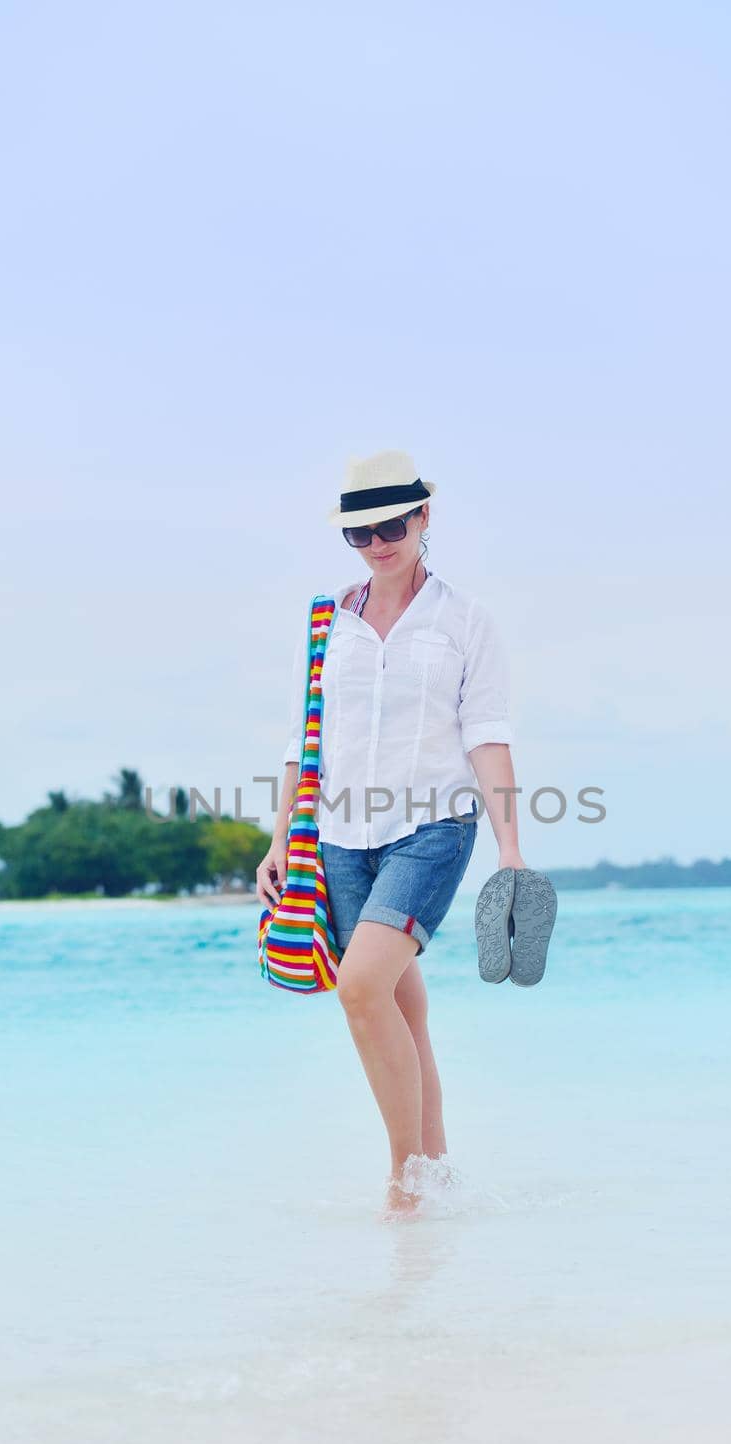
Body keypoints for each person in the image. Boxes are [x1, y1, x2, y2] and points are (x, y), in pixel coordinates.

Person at [256, 450, 529, 1215]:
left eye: (393, 524)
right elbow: (303, 738)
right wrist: (280, 841)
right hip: (339, 835)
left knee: (361, 987)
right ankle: (436, 1174)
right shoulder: (328, 622)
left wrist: (509, 848)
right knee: (403, 1012)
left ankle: (403, 1183)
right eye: (361, 532)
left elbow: (487, 731)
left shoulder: (465, 621)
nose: (379, 542)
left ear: (424, 518)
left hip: (432, 829)